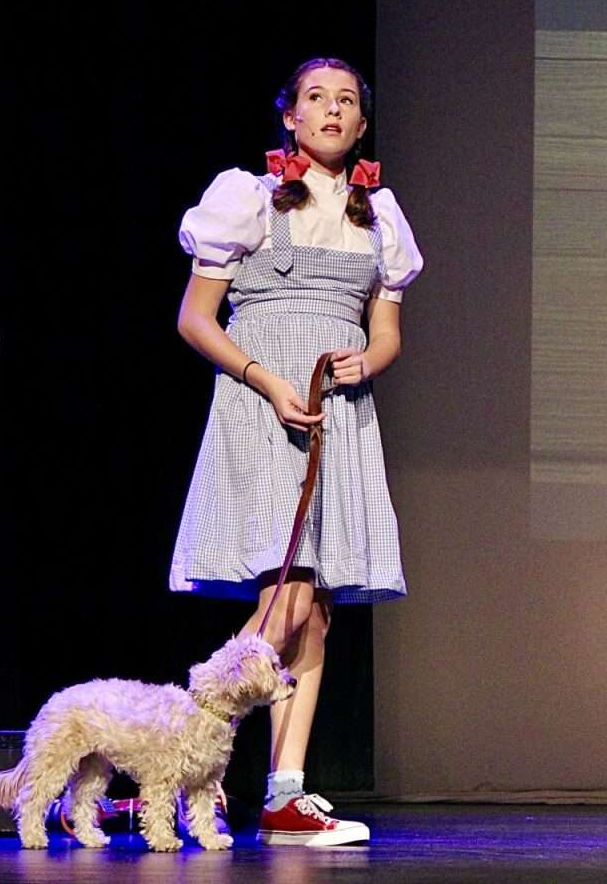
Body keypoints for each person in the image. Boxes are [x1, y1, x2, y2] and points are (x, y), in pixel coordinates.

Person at [171, 57, 423, 846]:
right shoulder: (247, 199)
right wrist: (267, 380)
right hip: (263, 406)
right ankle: (180, 755)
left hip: (337, 414)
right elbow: (196, 319)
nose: (333, 110)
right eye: (317, 97)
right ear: (289, 115)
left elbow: (387, 333)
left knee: (316, 612)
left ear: (362, 122)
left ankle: (285, 793)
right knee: (286, 597)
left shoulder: (379, 216)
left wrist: (366, 361)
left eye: (348, 101)